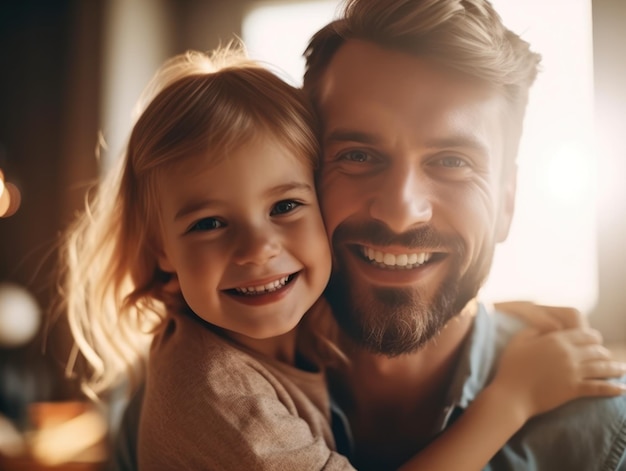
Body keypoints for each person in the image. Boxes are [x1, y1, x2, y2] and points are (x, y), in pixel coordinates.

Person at [59, 46, 624, 470]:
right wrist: (511, 399)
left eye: (284, 205)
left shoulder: (285, 319)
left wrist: (475, 309)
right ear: (161, 243)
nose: (257, 249)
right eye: (358, 155)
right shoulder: (216, 397)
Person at [298, 0, 626, 469]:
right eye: (357, 155)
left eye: (452, 162)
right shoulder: (221, 393)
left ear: (507, 202)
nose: (399, 214)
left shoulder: (603, 439)